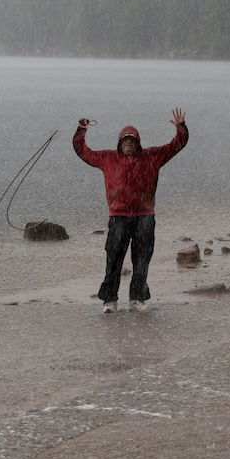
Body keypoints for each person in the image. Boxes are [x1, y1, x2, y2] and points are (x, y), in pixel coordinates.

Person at [74, 108, 188, 313]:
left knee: (142, 260)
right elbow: (83, 152)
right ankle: (110, 300)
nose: (129, 144)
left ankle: (137, 298)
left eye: (132, 141)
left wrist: (181, 128)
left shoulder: (152, 157)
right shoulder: (107, 158)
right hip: (118, 217)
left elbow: (176, 146)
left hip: (145, 217)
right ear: (119, 143)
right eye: (125, 141)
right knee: (114, 259)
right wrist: (81, 130)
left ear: (138, 143)